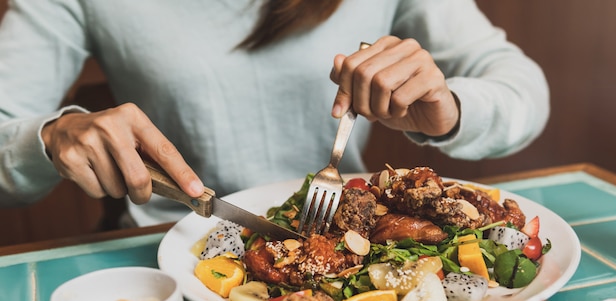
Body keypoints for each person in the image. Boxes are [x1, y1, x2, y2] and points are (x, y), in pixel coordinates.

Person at [0, 0, 549, 227]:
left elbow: (524, 92)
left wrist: (450, 109)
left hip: (346, 238)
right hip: (166, 251)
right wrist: (51, 135)